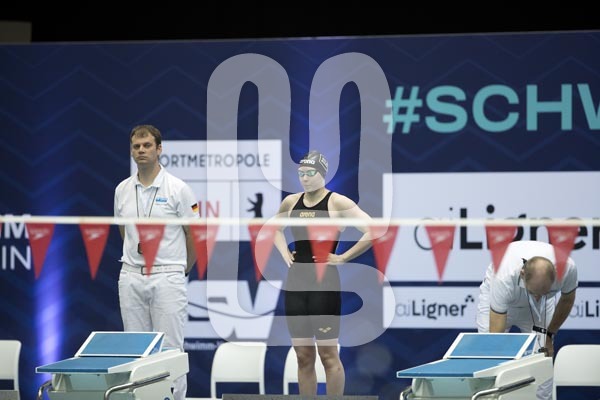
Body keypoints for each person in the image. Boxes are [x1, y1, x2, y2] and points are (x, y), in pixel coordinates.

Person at [274, 150, 372, 395]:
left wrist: (343, 257)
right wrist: (284, 252)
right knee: (303, 356)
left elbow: (374, 229)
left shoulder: (337, 202)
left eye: (310, 173)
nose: (305, 178)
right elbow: (273, 229)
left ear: (323, 175)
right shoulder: (291, 202)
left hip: (324, 284)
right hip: (296, 283)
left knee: (328, 355)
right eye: (301, 173)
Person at [114, 125, 198, 400]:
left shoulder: (178, 189)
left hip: (167, 273)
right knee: (134, 349)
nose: (141, 150)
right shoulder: (122, 189)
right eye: (136, 146)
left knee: (170, 348)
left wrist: (182, 268)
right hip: (131, 274)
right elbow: (124, 230)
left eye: (147, 145)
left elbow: (194, 235)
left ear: (159, 149)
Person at [477, 239, 577, 400]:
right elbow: (496, 337)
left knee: (543, 359)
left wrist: (549, 335)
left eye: (545, 292)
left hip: (541, 308)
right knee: (489, 357)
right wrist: (496, 358)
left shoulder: (567, 268)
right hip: (504, 302)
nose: (537, 297)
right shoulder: (503, 275)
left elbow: (567, 300)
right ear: (522, 274)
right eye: (534, 293)